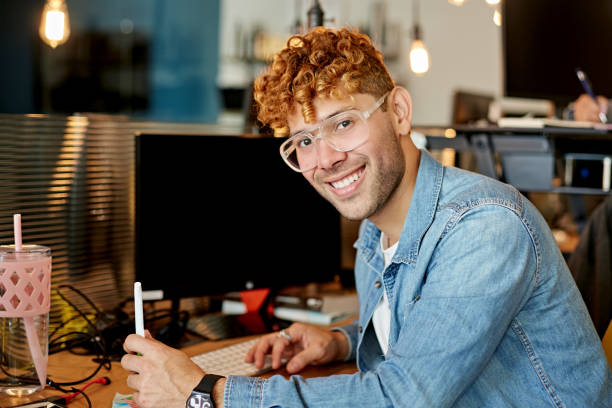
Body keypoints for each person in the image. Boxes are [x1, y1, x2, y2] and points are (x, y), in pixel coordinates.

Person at [121, 27, 612, 407]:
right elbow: (426, 328)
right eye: (304, 141)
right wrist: (340, 341)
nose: (326, 159)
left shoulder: (485, 227)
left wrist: (207, 389)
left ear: (398, 112)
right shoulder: (375, 236)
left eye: (343, 123)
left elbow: (402, 397)